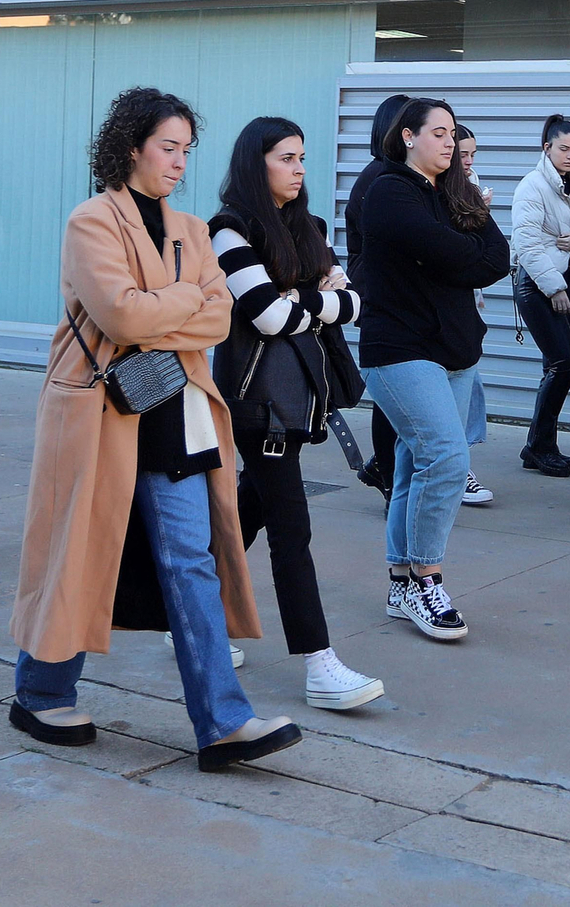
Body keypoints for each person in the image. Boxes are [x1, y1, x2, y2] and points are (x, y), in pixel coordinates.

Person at [9, 87, 300, 772]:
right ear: (131, 147)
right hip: (99, 413)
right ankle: (40, 691)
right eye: (167, 147)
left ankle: (223, 723)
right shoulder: (91, 221)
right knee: (80, 552)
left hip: (176, 412)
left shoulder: (192, 229)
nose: (178, 162)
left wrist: (163, 308)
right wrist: (185, 299)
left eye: (185, 150)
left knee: (191, 561)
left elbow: (220, 318)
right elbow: (121, 315)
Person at [207, 117, 386, 710]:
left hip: (301, 397)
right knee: (291, 528)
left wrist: (302, 298)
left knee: (252, 507)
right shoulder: (230, 230)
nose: (299, 169)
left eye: (302, 158)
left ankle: (192, 614)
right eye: (286, 158)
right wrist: (317, 300)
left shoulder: (307, 228)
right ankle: (319, 664)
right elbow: (266, 317)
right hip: (259, 403)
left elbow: (355, 302)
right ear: (254, 163)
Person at [359, 98, 509, 641]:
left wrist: (459, 253)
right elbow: (453, 254)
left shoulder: (455, 192)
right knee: (447, 457)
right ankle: (428, 579)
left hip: (456, 348)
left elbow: (496, 258)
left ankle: (401, 581)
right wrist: (462, 253)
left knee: (413, 465)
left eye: (452, 134)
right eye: (438, 133)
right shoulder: (388, 189)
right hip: (399, 347)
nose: (449, 142)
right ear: (408, 136)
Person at [511, 114, 570, 477]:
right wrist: (555, 287)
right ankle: (538, 446)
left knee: (556, 365)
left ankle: (543, 445)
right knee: (565, 362)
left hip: (567, 279)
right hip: (538, 284)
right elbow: (527, 245)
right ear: (547, 148)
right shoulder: (532, 186)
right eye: (564, 148)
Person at [348, 93, 410, 503]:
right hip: (378, 293)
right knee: (390, 395)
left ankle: (382, 468)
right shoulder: (378, 179)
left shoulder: (393, 175)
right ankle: (387, 476)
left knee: (395, 394)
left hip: (389, 292)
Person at [452, 123, 495, 505]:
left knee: (469, 388)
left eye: (473, 155)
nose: (468, 162)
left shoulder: (472, 184)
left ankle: (459, 465)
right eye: (462, 154)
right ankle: (457, 469)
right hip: (443, 309)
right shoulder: (433, 188)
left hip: (467, 304)